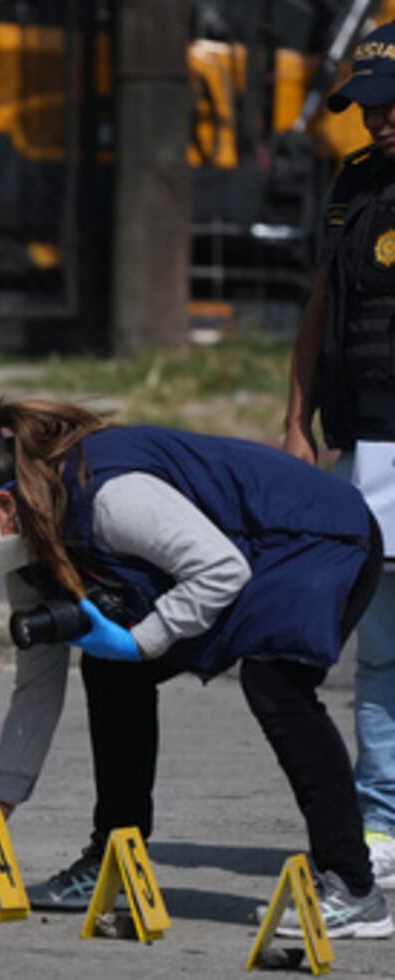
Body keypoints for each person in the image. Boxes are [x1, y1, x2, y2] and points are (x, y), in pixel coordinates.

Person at [0, 400, 391, 939]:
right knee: (110, 671)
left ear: (1, 502)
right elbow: (37, 688)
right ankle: (113, 864)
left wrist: (142, 641)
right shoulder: (29, 550)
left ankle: (354, 888)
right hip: (247, 552)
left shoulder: (111, 498)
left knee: (275, 681)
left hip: (315, 536)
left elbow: (220, 570)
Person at [283, 19, 395, 893]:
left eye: (392, 102)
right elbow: (321, 304)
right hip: (367, 442)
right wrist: (296, 419)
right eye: (366, 104)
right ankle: (381, 817)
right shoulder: (353, 181)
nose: (379, 119)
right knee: (381, 642)